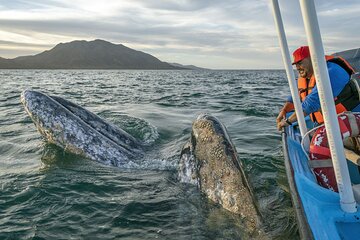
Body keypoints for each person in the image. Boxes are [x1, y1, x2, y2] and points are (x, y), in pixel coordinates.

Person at [276, 46, 360, 131]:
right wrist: (285, 110)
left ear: (312, 58)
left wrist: (287, 122)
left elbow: (313, 102)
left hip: (351, 121)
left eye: (300, 63)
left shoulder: (332, 72)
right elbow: (295, 95)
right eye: (296, 64)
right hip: (328, 123)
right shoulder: (308, 75)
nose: (297, 67)